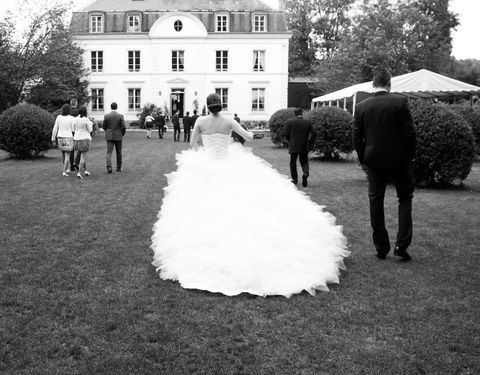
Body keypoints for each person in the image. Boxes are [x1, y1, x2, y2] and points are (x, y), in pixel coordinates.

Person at [151, 93, 349, 297]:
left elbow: (193, 144)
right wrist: (259, 133)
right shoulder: (228, 120)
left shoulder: (200, 121)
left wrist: (203, 152)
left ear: (207, 107)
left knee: (205, 207)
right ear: (221, 105)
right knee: (240, 203)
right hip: (228, 162)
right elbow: (247, 136)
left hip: (207, 164)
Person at [353, 68, 416, 261]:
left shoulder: (361, 106)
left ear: (373, 84)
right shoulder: (400, 102)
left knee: (375, 200)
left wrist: (364, 158)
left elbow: (357, 137)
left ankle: (381, 247)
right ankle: (401, 245)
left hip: (373, 160)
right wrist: (410, 156)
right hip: (399, 159)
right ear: (389, 83)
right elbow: (410, 133)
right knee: (405, 198)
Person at [285, 108, 316, 187]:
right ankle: (305, 174)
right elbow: (314, 133)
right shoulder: (307, 122)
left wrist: (290, 140)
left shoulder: (290, 122)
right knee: (304, 162)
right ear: (302, 113)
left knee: (293, 163)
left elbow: (287, 135)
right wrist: (310, 142)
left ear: (294, 114)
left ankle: (295, 179)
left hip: (293, 146)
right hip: (304, 146)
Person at [51, 104, 75, 176]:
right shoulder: (72, 118)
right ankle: (65, 170)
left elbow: (55, 128)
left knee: (63, 154)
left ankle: (66, 168)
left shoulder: (59, 117)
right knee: (68, 155)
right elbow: (73, 129)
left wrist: (53, 138)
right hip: (68, 137)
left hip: (60, 137)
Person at [102, 102, 126, 173]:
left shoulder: (107, 116)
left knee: (109, 152)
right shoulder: (120, 116)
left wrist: (107, 131)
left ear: (111, 107)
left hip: (109, 136)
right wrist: (122, 133)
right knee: (119, 152)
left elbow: (104, 126)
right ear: (117, 107)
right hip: (118, 136)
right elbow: (124, 126)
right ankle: (118, 167)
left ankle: (109, 167)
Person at [73, 106, 94, 179]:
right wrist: (91, 123)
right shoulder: (86, 120)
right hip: (84, 138)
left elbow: (73, 128)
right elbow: (90, 130)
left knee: (82, 155)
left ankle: (85, 170)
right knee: (83, 157)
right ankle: (79, 172)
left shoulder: (75, 119)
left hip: (76, 139)